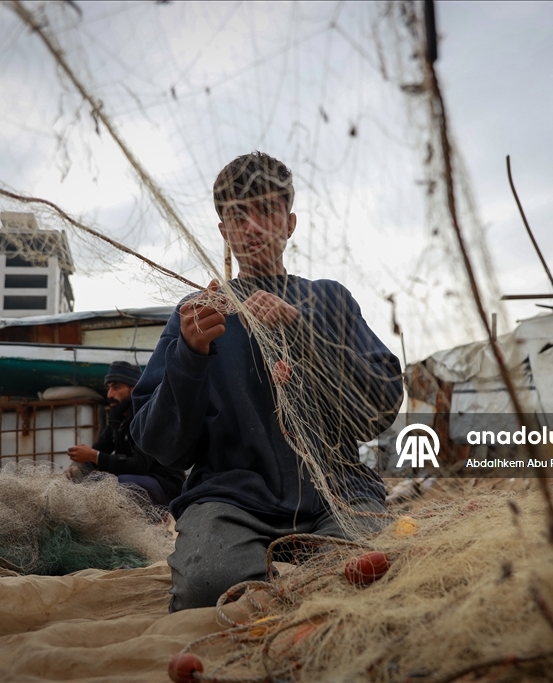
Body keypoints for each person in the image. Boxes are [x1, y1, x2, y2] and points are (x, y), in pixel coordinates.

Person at [131, 152, 403, 611]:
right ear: (223, 230)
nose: (253, 226)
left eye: (267, 210)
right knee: (209, 587)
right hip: (230, 499)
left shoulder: (329, 300)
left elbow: (380, 405)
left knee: (374, 573)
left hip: (336, 490)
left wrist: (304, 333)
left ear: (290, 222)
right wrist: (190, 356)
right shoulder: (197, 314)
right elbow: (160, 445)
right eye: (237, 215)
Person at [65, 361, 185, 506]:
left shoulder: (149, 417)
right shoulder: (117, 420)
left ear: (134, 389)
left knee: (122, 484)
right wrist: (77, 469)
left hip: (164, 485)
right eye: (108, 388)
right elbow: (99, 450)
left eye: (116, 387)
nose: (110, 394)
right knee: (93, 482)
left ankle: (154, 520)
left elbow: (139, 465)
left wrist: (93, 456)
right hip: (135, 479)